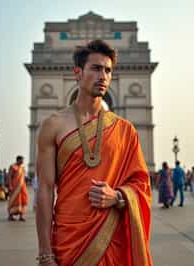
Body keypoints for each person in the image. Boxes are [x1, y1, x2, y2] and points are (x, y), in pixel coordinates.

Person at [36, 40, 153, 266]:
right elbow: (45, 189)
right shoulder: (52, 126)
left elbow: (141, 183)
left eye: (108, 70)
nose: (103, 76)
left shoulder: (126, 131)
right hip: (67, 240)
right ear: (77, 73)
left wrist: (118, 196)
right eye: (96, 68)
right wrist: (45, 253)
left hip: (112, 238)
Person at [7, 156, 28, 221]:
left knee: (23, 200)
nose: (23, 161)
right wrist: (10, 185)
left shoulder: (22, 168)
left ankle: (21, 215)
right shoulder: (13, 167)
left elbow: (23, 178)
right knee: (14, 201)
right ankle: (10, 215)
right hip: (15, 187)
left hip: (22, 187)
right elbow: (9, 176)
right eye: (22, 160)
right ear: (18, 160)